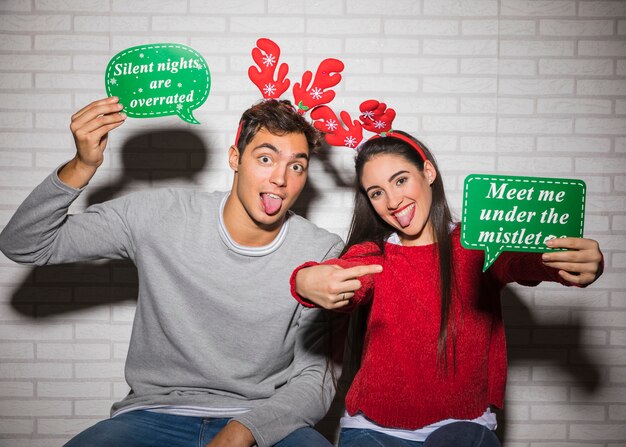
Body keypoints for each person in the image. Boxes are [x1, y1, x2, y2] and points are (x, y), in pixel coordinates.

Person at [0, 96, 346, 447]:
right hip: (153, 414)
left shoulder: (320, 252)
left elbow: (316, 376)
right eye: (266, 158)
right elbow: (24, 243)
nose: (280, 179)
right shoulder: (160, 216)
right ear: (235, 159)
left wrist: (245, 431)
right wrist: (81, 165)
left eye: (297, 166)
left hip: (262, 417)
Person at [290, 130, 603, 447]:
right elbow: (347, 276)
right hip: (373, 431)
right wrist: (306, 279)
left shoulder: (478, 241)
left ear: (428, 172)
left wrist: (565, 264)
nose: (393, 201)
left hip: (463, 427)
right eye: (376, 192)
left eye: (400, 180)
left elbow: (519, 259)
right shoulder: (374, 252)